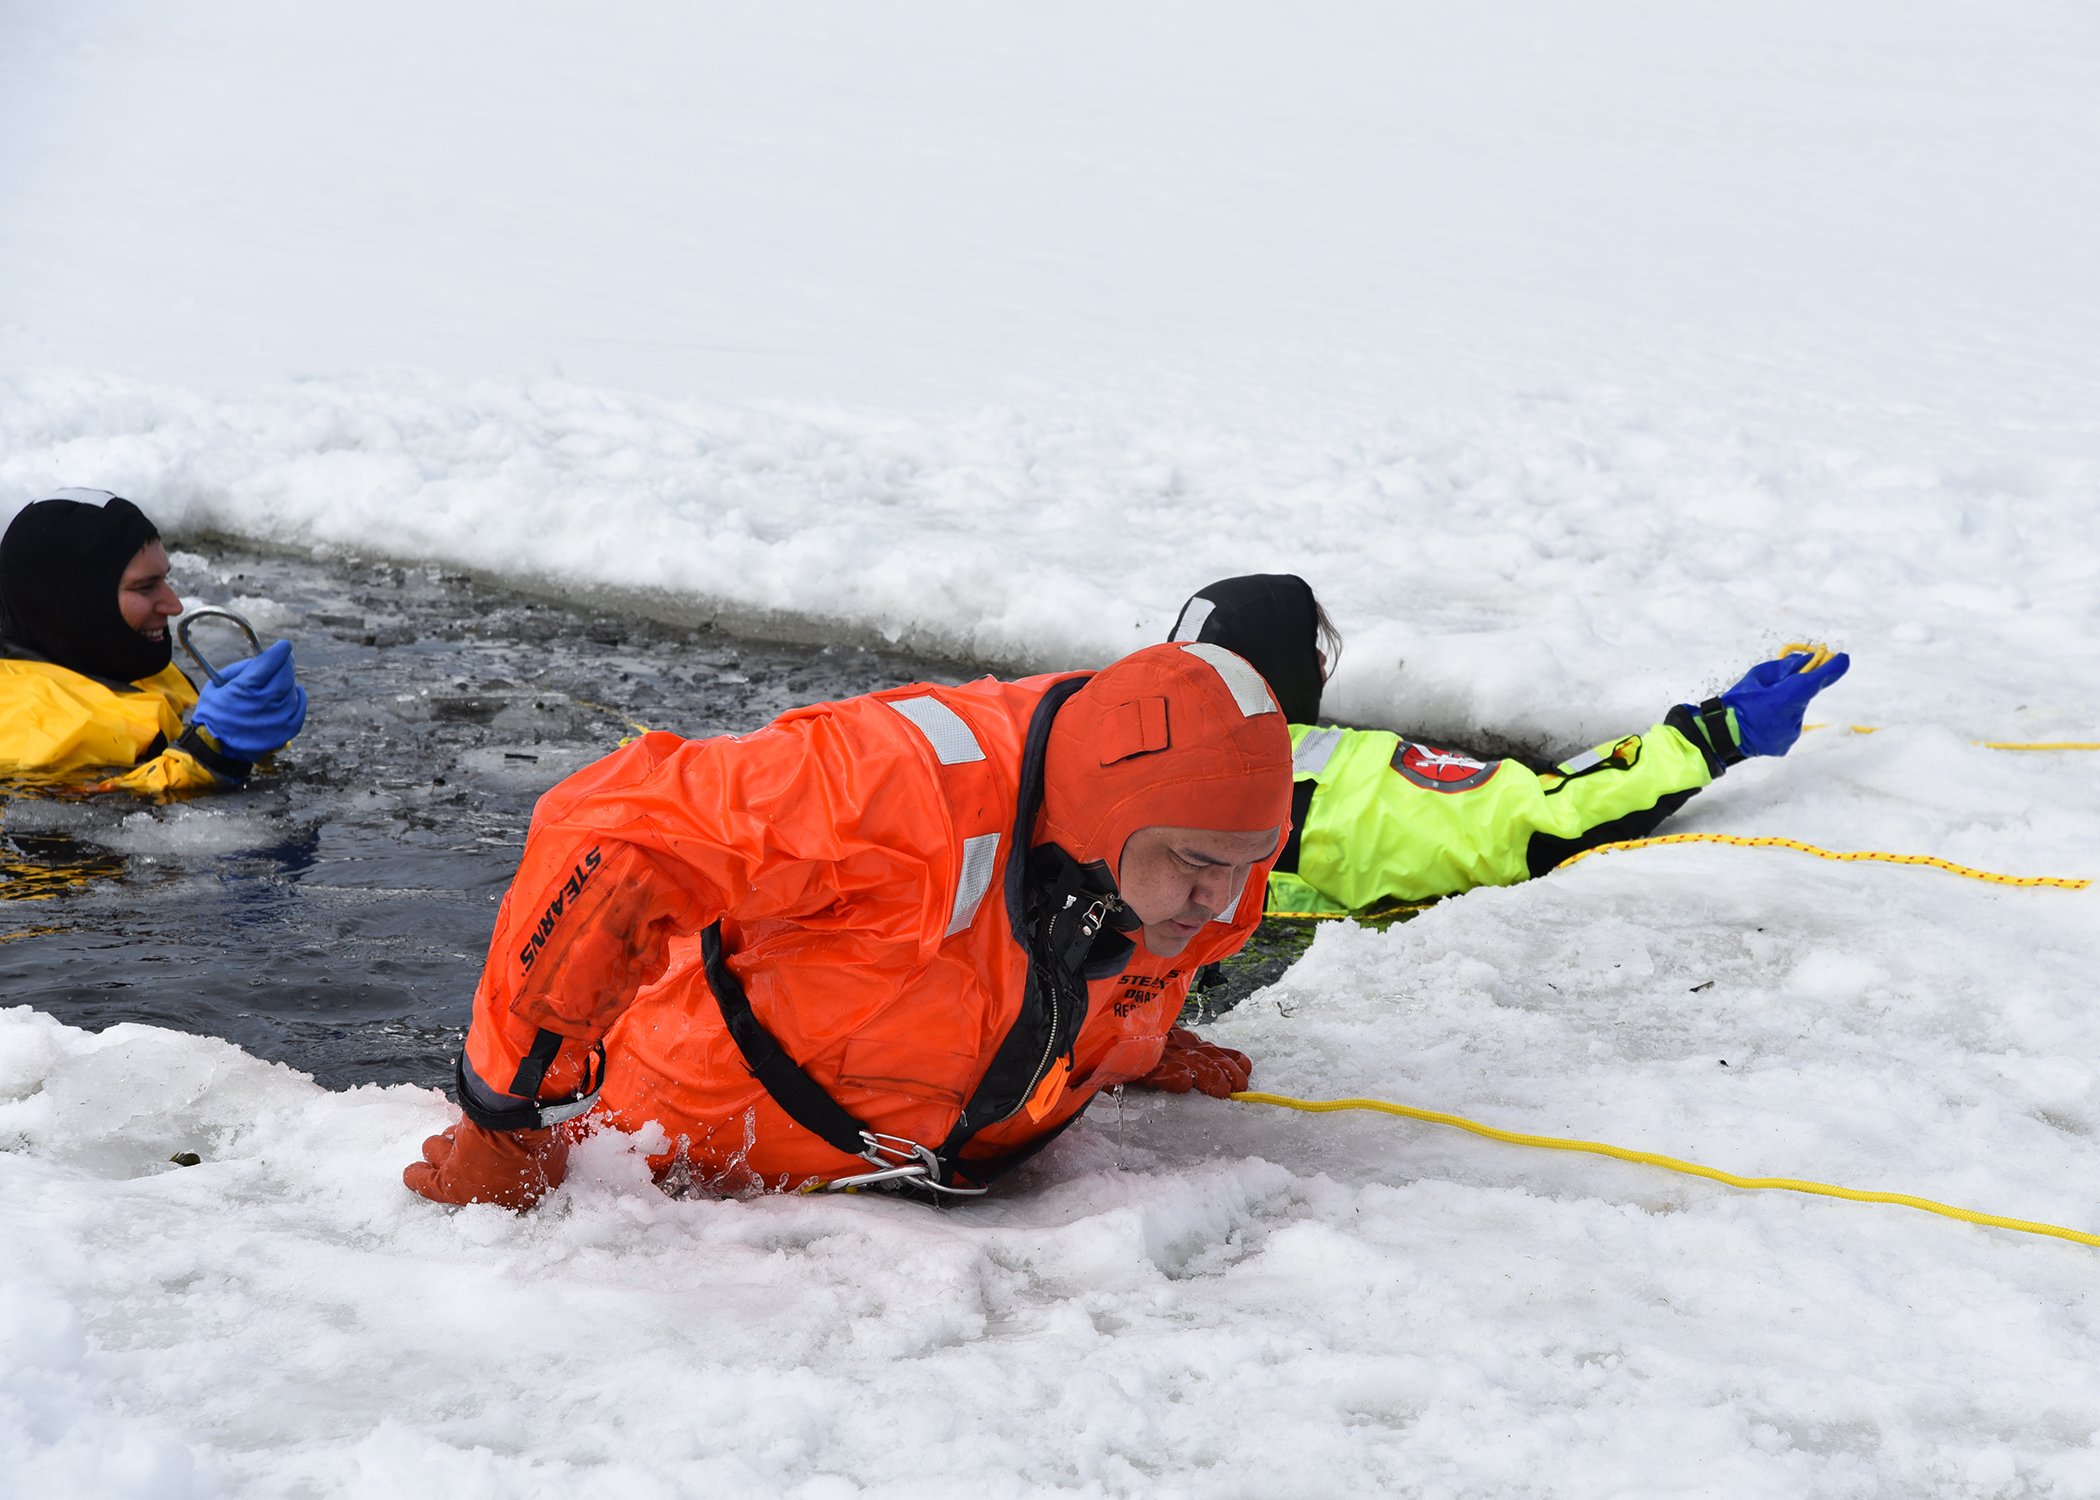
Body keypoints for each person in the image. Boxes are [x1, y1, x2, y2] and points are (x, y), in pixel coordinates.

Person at [404, 639, 1293, 1209]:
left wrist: (1126, 1038)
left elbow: (1121, 941)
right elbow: (622, 843)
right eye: (1202, 865)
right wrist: (506, 1118)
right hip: (685, 1160)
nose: (1226, 896)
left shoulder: (1205, 845)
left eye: (1252, 858)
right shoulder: (885, 785)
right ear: (1109, 822)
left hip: (931, 1204)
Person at [1169, 574, 1851, 917]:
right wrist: (1717, 732)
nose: (1323, 671)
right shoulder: (1342, 786)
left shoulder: (1090, 739)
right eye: (1313, 656)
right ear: (1282, 668)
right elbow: (1545, 818)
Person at [0, 489, 309, 795]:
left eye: (164, 579)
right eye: (145, 588)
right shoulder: (27, 729)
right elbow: (79, 818)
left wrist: (253, 727)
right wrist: (212, 755)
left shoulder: (118, 662)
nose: (174, 605)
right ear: (74, 606)